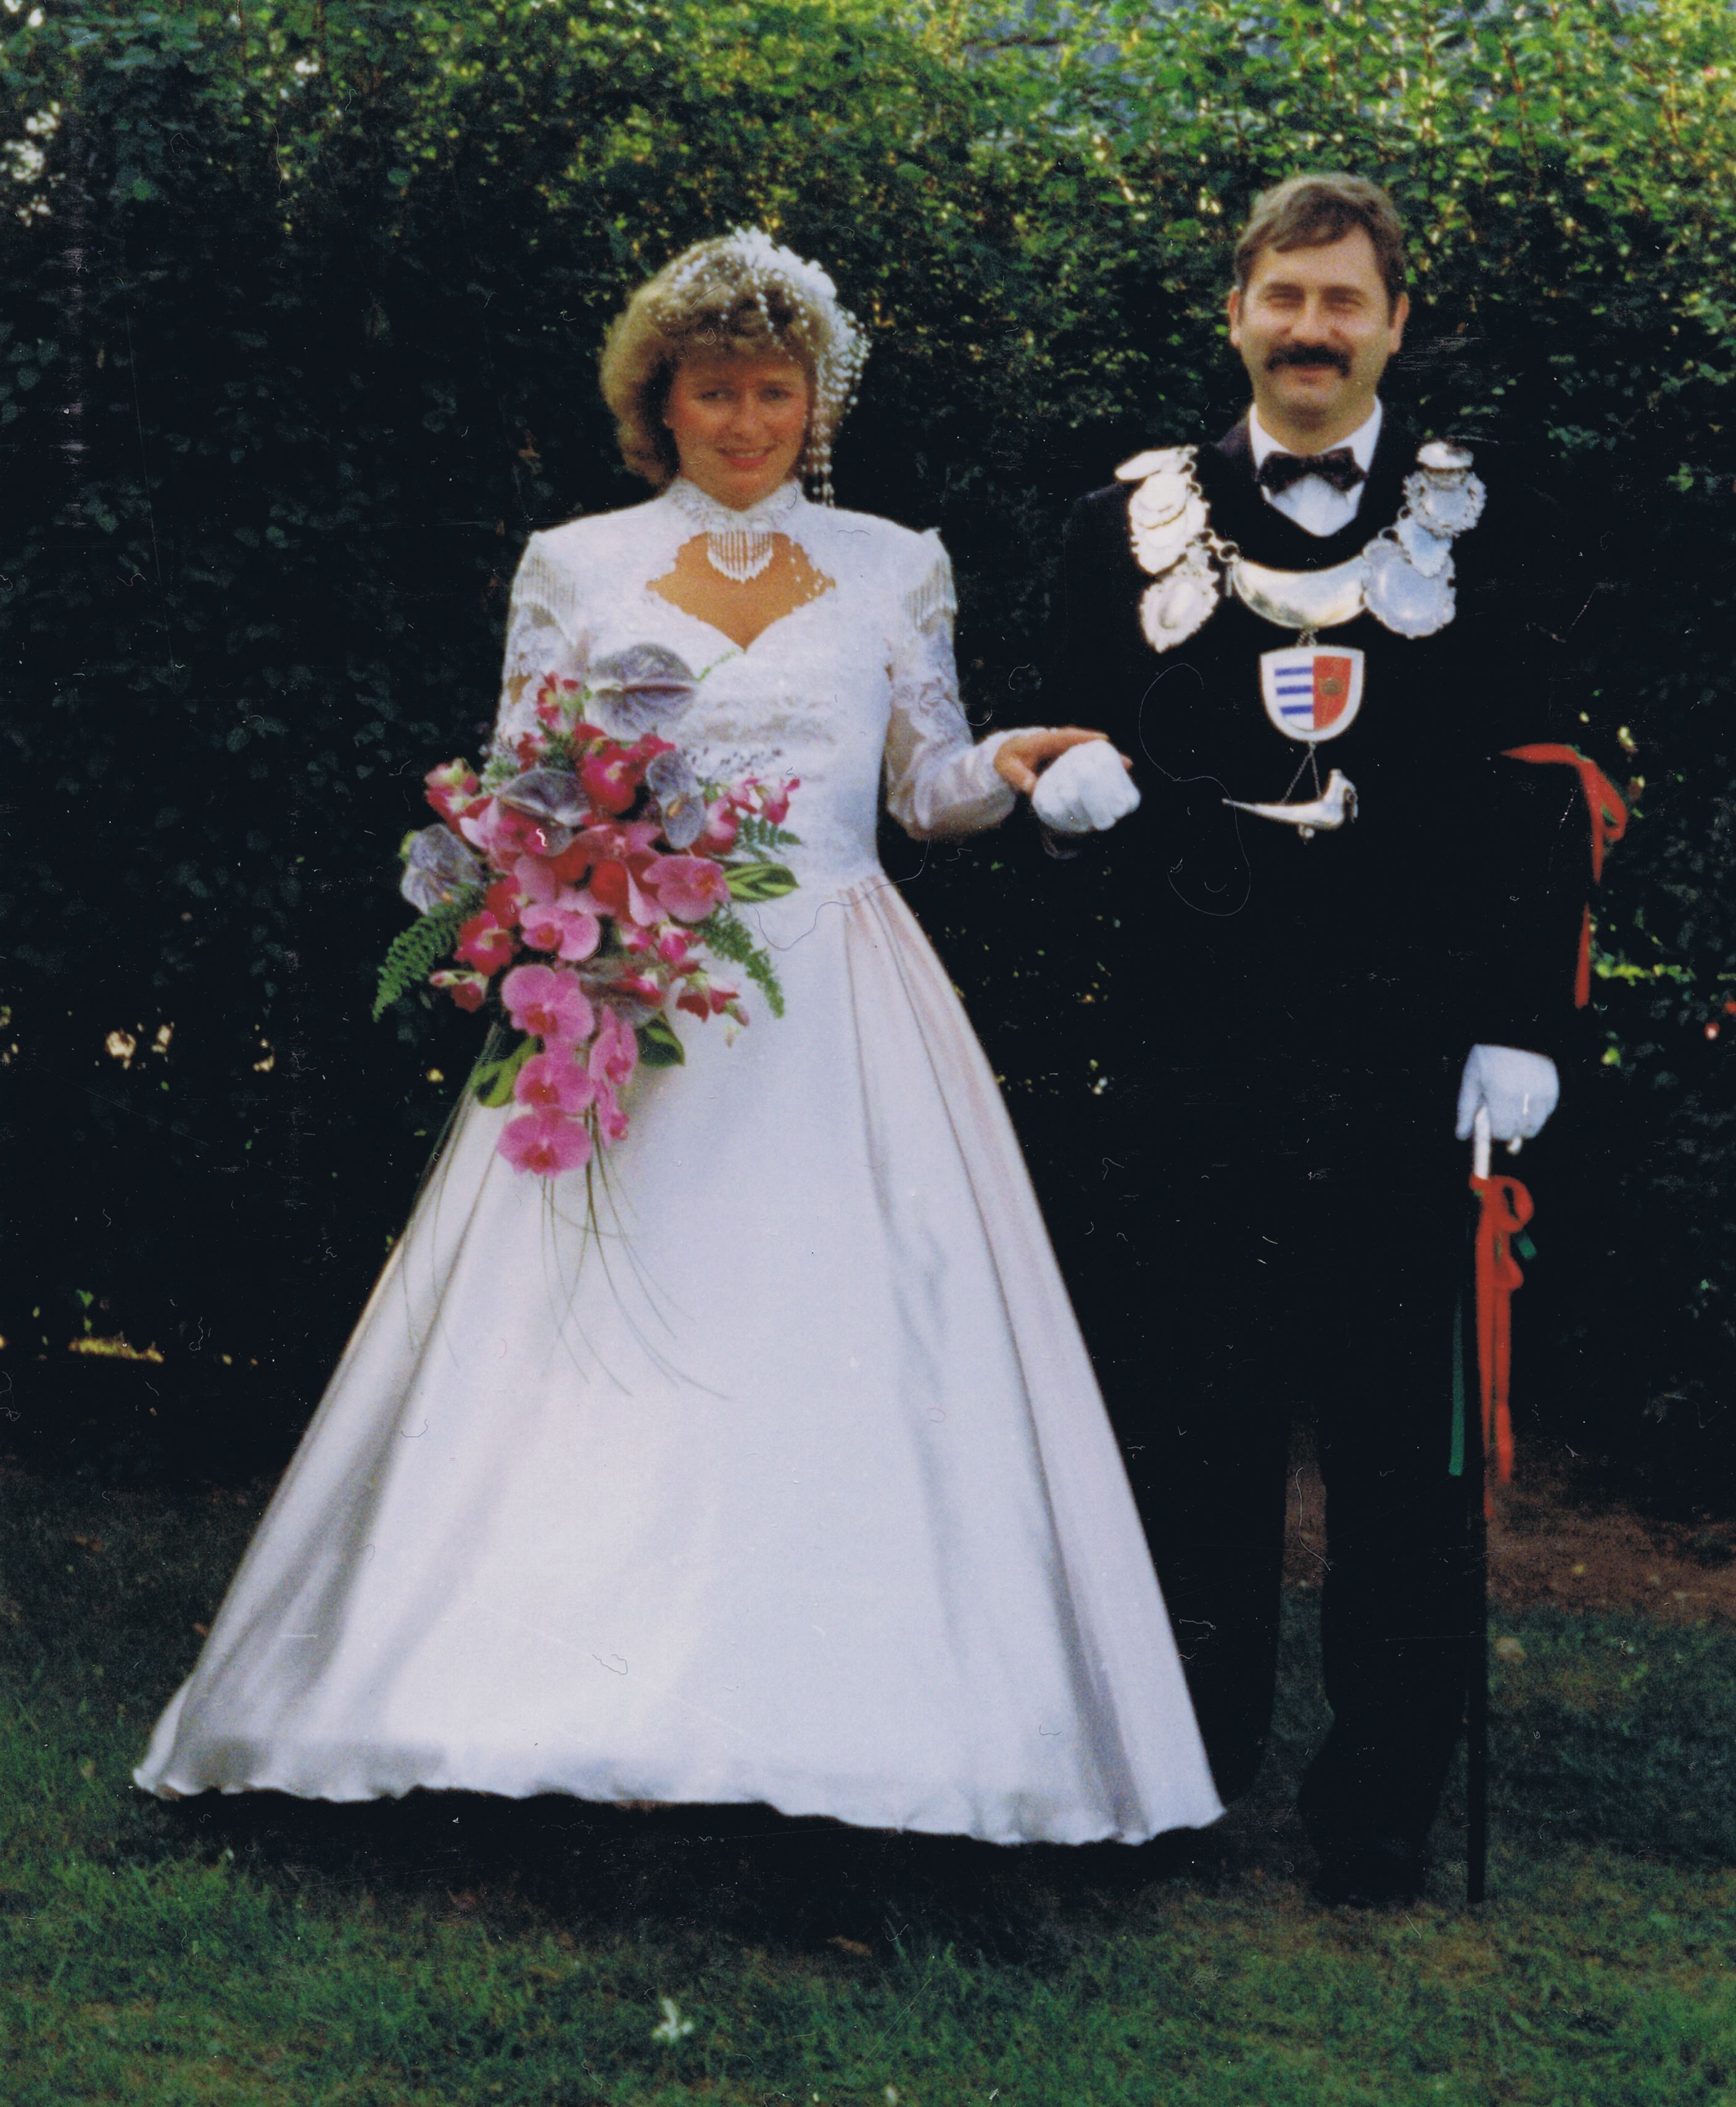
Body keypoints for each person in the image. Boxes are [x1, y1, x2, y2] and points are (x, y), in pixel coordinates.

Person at [134, 230, 1221, 1849]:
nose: (747, 422)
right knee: (576, 1336)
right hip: (627, 1000)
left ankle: (857, 1718)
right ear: (661, 403)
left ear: (816, 401)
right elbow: (525, 782)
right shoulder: (576, 564)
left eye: (775, 392)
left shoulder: (893, 564)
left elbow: (922, 790)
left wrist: (1007, 762)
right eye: (715, 393)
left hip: (837, 994)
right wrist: (561, 888)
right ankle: (521, 1696)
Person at [1043, 174, 1602, 1902]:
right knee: (1190, 1427)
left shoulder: (1496, 522)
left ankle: (1377, 1812)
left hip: (1409, 1051)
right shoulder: (1122, 518)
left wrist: (1523, 1026)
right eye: (1283, 296)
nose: (1310, 329)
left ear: (1394, 323)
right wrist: (1065, 789)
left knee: (1400, 1449)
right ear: (1237, 312)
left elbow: (1546, 791)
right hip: (1193, 1047)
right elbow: (1063, 733)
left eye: (1343, 300)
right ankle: (1183, 1776)